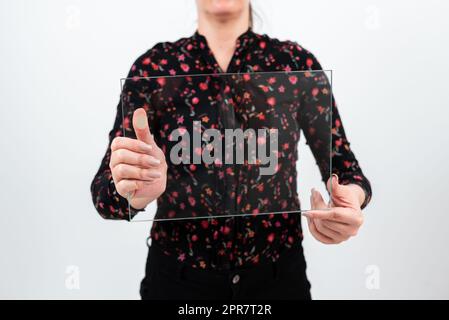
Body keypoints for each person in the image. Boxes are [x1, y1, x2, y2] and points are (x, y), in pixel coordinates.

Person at [90, 0, 372, 300]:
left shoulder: (294, 65)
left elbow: (346, 170)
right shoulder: (155, 69)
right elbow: (105, 195)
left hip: (277, 283)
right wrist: (133, 190)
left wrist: (348, 202)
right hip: (177, 284)